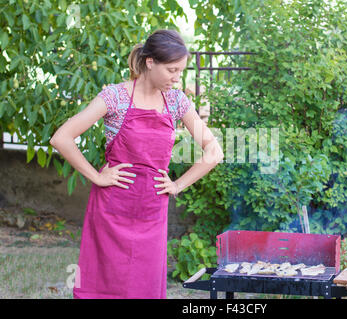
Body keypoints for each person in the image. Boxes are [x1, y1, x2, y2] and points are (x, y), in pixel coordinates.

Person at [50, 29, 224, 299]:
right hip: (110, 211)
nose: (178, 78)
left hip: (152, 213)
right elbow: (61, 138)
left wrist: (178, 184)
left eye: (181, 71)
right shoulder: (115, 97)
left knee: (145, 289)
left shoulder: (177, 102)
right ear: (151, 62)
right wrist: (97, 177)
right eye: (172, 70)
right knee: (101, 287)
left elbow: (214, 151)